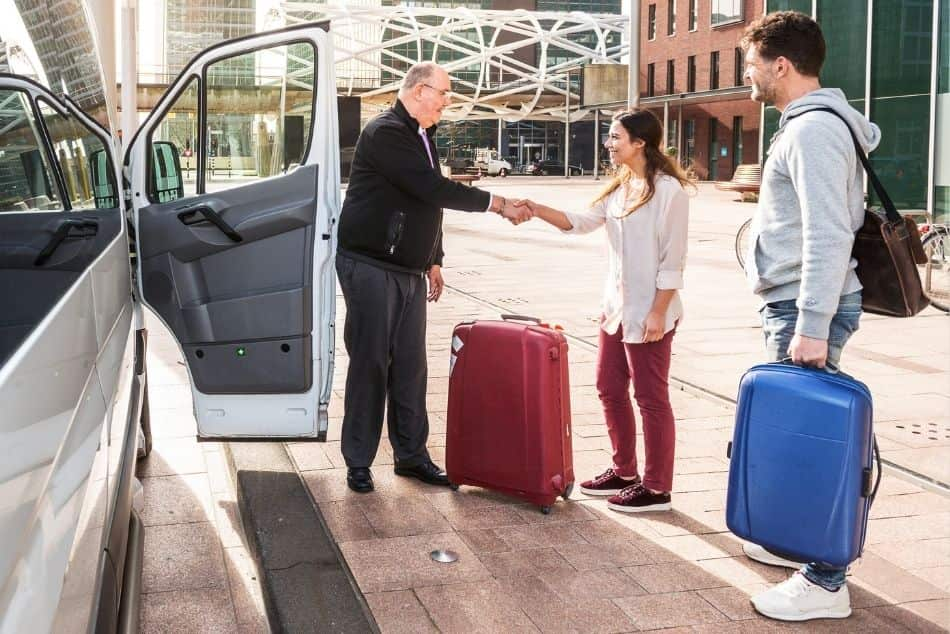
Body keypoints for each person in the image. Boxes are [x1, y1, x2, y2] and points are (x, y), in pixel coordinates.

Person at [739, 11, 880, 622]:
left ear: (781, 65)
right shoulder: (808, 125)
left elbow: (827, 233)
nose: (748, 76)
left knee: (811, 440)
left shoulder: (812, 131)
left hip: (805, 303)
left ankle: (826, 579)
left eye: (751, 65)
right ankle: (799, 543)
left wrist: (812, 324)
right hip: (796, 299)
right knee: (798, 432)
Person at [335, 62, 529, 494]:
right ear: (420, 91)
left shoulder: (422, 135)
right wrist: (497, 203)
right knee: (370, 363)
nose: (447, 101)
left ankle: (411, 456)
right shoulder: (385, 131)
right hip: (370, 265)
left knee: (410, 366)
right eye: (443, 93)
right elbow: (430, 187)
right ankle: (358, 461)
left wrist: (433, 257)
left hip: (406, 268)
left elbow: (427, 203)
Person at [516, 109, 690, 513]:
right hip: (615, 310)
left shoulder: (669, 192)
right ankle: (624, 470)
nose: (608, 144)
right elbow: (579, 222)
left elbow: (673, 261)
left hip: (650, 313)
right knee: (609, 389)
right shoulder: (620, 188)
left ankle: (657, 487)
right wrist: (536, 208)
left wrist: (658, 312)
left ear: (640, 143)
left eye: (615, 138)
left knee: (651, 398)